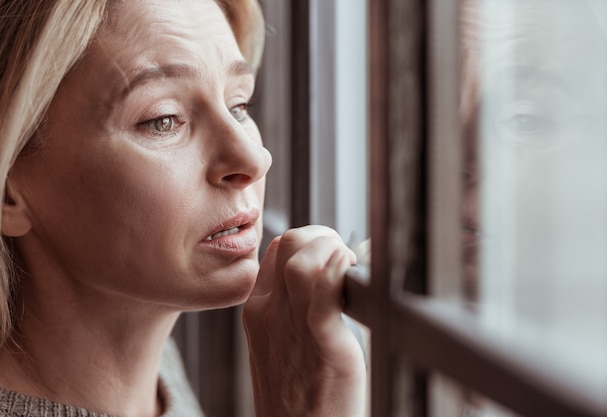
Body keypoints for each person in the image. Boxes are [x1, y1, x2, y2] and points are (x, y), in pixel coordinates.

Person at [0, 0, 367, 416]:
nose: (254, 157)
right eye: (163, 119)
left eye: (239, 106)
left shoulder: (159, 378)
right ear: (8, 189)